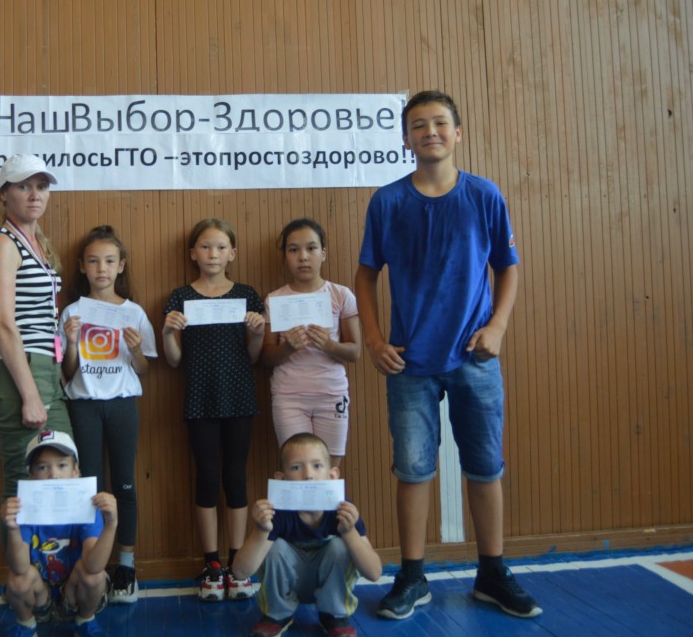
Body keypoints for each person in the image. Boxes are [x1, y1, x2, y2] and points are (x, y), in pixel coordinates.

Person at [354, 90, 541, 619]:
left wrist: (498, 325)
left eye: (440, 123)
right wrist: (374, 341)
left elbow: (508, 266)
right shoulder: (387, 202)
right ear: (405, 139)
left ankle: (492, 573)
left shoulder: (484, 194)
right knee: (413, 469)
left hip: (475, 358)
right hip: (409, 362)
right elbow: (365, 276)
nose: (430, 131)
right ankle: (413, 576)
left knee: (485, 466)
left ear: (458, 133)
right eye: (418, 125)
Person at [162, 218, 266, 601]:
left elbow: (254, 356)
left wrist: (258, 333)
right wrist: (168, 332)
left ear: (232, 253)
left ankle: (237, 563)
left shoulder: (247, 295)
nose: (213, 254)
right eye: (205, 246)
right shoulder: (179, 298)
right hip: (200, 399)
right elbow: (173, 360)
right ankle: (212, 564)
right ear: (193, 253)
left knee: (235, 478)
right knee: (206, 478)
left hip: (239, 397)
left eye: (221, 247)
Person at [59, 225, 158, 604]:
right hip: (83, 406)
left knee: (124, 484)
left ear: (121, 266)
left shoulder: (133, 312)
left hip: (121, 406)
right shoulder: (72, 312)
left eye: (109, 261)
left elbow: (144, 368)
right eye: (94, 261)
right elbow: (68, 372)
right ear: (82, 266)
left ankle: (126, 567)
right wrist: (71, 342)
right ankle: (92, 568)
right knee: (89, 487)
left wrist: (135, 350)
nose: (102, 268)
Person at [0, 153, 72, 500]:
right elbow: (4, 324)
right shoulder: (2, 243)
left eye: (42, 186)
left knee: (63, 475)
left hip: (45, 369)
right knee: (24, 484)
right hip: (20, 370)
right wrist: (30, 395)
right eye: (24, 187)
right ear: (4, 194)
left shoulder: (39, 246)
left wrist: (56, 370)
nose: (35, 195)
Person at [231, 433, 381, 637]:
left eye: (317, 465)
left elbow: (374, 572)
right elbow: (240, 573)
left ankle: (334, 615)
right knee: (274, 547)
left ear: (332, 475)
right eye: (296, 467)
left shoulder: (343, 510)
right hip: (289, 581)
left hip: (328, 583)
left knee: (342, 545)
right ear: (281, 478)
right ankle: (277, 614)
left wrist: (349, 532)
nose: (308, 475)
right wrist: (261, 531)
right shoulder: (274, 513)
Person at [261, 218, 362, 467]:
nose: (303, 257)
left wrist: (328, 345)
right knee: (296, 467)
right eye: (293, 250)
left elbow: (355, 352)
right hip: (289, 396)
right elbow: (266, 357)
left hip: (331, 393)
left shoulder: (341, 295)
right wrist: (287, 348)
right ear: (285, 256)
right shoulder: (275, 299)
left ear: (323, 253)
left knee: (328, 469)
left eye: (311, 248)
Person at [0, 430, 117, 637]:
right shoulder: (24, 511)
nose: (53, 475)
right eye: (42, 467)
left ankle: (85, 620)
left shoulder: (87, 509)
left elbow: (93, 567)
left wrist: (111, 524)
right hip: (40, 595)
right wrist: (12, 528)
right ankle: (26, 624)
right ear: (31, 477)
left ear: (76, 471)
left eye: (62, 465)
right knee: (17, 579)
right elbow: (19, 568)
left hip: (73, 595)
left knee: (94, 577)